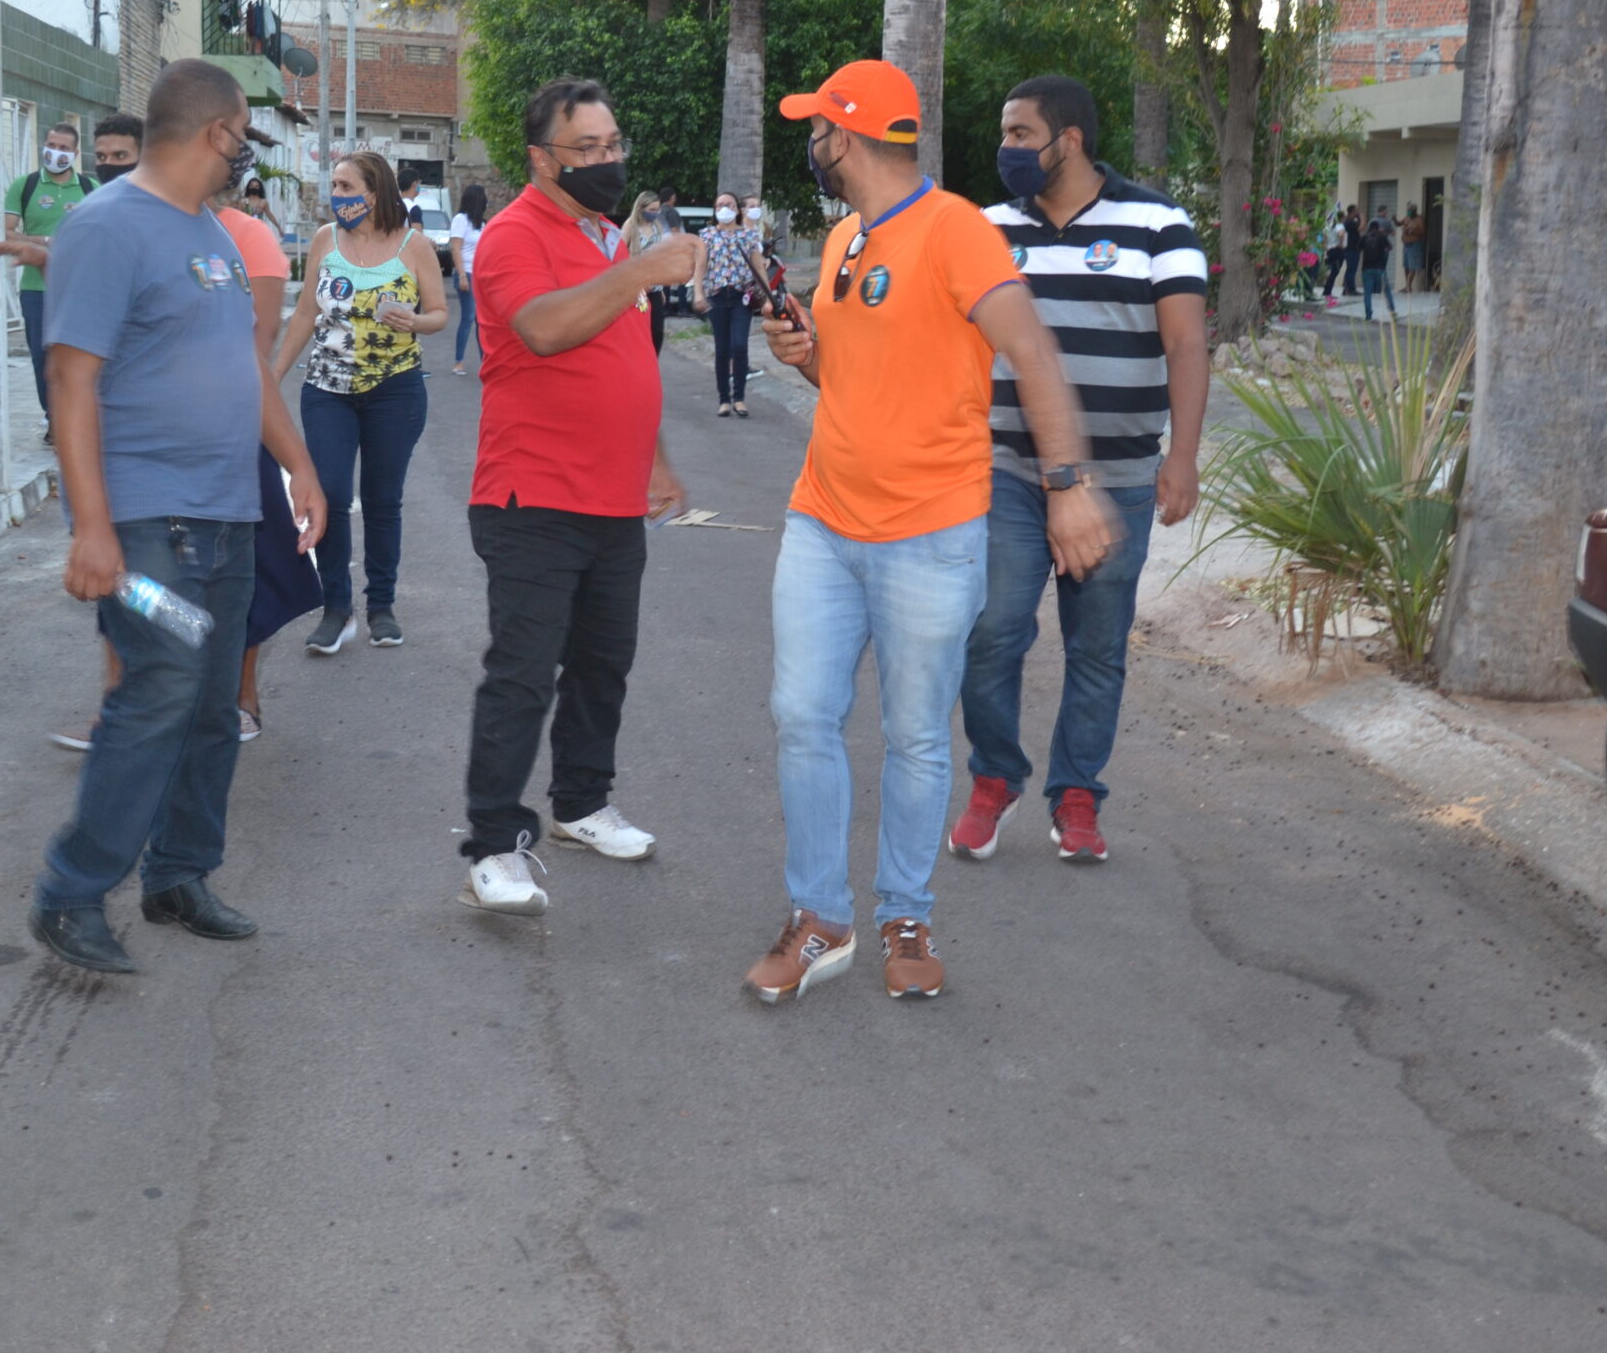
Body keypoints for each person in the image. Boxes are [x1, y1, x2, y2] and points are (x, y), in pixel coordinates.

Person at [743, 60, 1117, 1006]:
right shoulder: (844, 239)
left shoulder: (955, 229)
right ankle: (821, 917)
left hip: (930, 534)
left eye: (817, 128)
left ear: (847, 135)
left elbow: (1032, 351)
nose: (812, 144)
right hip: (823, 521)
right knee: (803, 715)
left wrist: (1067, 487)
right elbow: (850, 376)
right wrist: (805, 353)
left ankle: (906, 913)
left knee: (914, 737)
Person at [26, 58, 328, 977]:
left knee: (210, 702)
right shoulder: (105, 227)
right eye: (242, 139)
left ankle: (179, 874)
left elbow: (245, 364)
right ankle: (72, 892)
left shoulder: (211, 233)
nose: (244, 155)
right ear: (216, 133)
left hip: (226, 517)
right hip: (145, 526)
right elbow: (70, 379)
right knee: (159, 683)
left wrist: (300, 467)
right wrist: (92, 527)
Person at [949, 75, 1209, 866]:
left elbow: (1186, 346)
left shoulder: (1158, 224)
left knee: (1097, 646)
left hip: (1120, 479)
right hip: (1007, 470)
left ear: (1069, 140)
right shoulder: (988, 229)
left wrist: (1183, 457)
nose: (1005, 149)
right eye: (1005, 133)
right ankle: (995, 776)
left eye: (1020, 134)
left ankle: (1077, 793)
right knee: (990, 630)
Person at [457, 78, 701, 915]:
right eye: (587, 148)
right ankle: (493, 844)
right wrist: (641, 267)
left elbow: (622, 360)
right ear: (541, 158)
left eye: (613, 144)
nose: (607, 160)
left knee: (603, 664)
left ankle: (582, 802)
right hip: (533, 497)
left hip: (613, 498)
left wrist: (656, 459)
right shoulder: (513, 235)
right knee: (523, 675)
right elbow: (545, 327)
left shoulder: (600, 235)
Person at [273, 150, 447, 654]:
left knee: (382, 499)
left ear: (376, 192)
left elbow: (439, 313)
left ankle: (381, 607)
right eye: (335, 186)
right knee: (328, 492)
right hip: (327, 389)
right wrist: (271, 378)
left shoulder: (414, 246)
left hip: (396, 390)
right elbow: (305, 313)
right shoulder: (325, 240)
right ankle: (336, 609)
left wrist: (415, 321)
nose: (338, 196)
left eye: (347, 187)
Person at [3, 122, 93, 433]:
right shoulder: (24, 186)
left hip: (80, 290)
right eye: (51, 145)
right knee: (42, 358)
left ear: (75, 153)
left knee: (77, 355)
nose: (56, 152)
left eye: (64, 148)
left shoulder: (90, 188)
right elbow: (8, 232)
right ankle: (53, 418)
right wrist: (43, 241)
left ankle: (74, 419)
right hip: (35, 289)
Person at [701, 192, 762, 417]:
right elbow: (700, 265)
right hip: (716, 296)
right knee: (722, 349)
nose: (724, 208)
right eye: (720, 205)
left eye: (729, 204)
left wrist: (767, 294)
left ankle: (739, 398)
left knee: (739, 345)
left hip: (741, 297)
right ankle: (724, 399)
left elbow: (758, 266)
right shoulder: (707, 235)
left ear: (737, 209)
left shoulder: (748, 235)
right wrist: (697, 292)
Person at [621, 191, 684, 354]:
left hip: (654, 288)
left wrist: (661, 287)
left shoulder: (656, 226)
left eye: (657, 209)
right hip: (637, 290)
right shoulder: (630, 226)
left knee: (657, 331)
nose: (655, 213)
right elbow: (619, 255)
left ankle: (652, 362)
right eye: (651, 209)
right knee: (640, 328)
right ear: (640, 208)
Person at [448, 182, 488, 375]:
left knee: (481, 320)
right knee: (469, 316)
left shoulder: (482, 224)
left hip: (479, 275)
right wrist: (462, 275)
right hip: (466, 273)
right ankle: (459, 362)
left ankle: (485, 361)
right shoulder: (460, 220)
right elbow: (456, 249)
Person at [1360, 214, 1399, 320]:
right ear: (1378, 228)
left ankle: (1368, 315)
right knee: (1387, 291)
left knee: (1367, 293)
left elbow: (1359, 248)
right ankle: (1392, 312)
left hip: (1366, 269)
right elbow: (1390, 247)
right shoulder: (1381, 237)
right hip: (1380, 268)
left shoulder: (1364, 237)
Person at [1400, 204, 1429, 292]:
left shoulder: (1419, 219)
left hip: (1414, 245)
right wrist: (1395, 220)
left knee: (1412, 266)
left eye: (1410, 211)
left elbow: (1422, 232)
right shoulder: (1407, 218)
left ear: (1414, 211)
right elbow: (1399, 223)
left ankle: (1409, 286)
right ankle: (1407, 286)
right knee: (1406, 266)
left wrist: (1413, 231)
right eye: (1408, 211)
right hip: (1406, 245)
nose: (1408, 213)